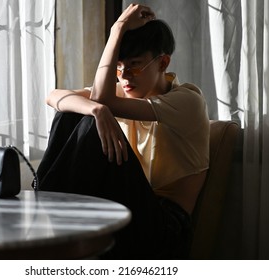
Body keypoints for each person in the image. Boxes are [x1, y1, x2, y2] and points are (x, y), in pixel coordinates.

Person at [36, 4, 209, 259]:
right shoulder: (122, 92)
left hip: (165, 227)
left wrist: (117, 28)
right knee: (73, 114)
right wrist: (97, 110)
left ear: (162, 62)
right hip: (127, 206)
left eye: (135, 66)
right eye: (118, 68)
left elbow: (101, 97)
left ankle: (47, 213)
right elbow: (54, 97)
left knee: (88, 118)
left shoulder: (187, 101)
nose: (125, 77)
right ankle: (49, 206)